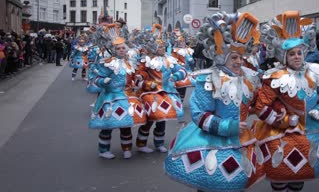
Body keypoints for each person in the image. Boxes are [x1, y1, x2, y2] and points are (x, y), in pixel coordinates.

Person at [165, 12, 265, 191]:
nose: (238, 61)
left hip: (240, 138)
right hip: (213, 140)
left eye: (241, 58)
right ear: (222, 58)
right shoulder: (209, 80)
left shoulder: (248, 78)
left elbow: (252, 104)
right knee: (210, 183)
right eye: (233, 57)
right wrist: (227, 126)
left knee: (236, 181)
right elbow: (199, 113)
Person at [251, 11, 319, 192]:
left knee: (301, 176)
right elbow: (261, 106)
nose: (297, 56)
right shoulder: (275, 77)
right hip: (283, 135)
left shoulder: (315, 72)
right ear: (284, 57)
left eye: (299, 52)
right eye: (292, 54)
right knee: (281, 176)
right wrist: (282, 121)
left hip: (312, 131)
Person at [134, 24, 187, 153]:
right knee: (150, 119)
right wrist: (145, 82)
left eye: (164, 46)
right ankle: (141, 144)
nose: (163, 48)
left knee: (163, 119)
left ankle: (159, 143)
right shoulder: (146, 61)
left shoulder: (169, 59)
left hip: (167, 92)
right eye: (160, 47)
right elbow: (138, 78)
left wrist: (176, 76)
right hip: (151, 93)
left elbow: (182, 70)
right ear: (153, 48)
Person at [88, 24, 135, 159]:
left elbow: (131, 79)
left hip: (124, 97)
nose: (121, 50)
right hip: (109, 98)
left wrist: (137, 80)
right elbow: (95, 78)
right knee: (108, 125)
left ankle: (127, 149)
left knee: (126, 123)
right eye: (118, 48)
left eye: (123, 48)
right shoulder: (107, 63)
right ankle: (103, 150)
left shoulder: (128, 63)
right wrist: (104, 81)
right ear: (114, 50)